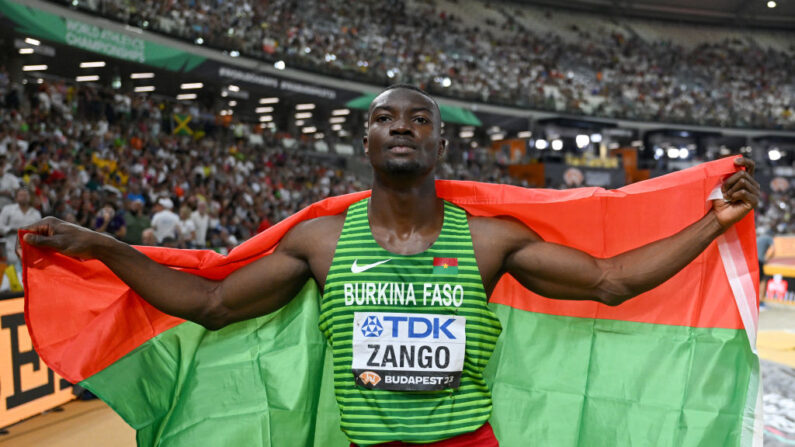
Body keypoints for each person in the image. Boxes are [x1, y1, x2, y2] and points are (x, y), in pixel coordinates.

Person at [22, 85, 760, 446]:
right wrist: (107, 247)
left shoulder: (485, 241)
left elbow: (611, 279)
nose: (400, 125)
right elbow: (212, 304)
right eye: (383, 118)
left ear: (440, 146)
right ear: (365, 143)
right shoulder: (320, 242)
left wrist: (710, 222)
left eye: (417, 119)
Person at [1, 187, 41, 269]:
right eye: (21, 195)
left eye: (26, 195)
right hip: (10, 245)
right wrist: (11, 229)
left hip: (29, 246)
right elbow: (0, 225)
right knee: (10, 271)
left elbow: (40, 230)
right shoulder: (8, 209)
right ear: (16, 198)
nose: (24, 197)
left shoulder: (36, 213)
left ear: (30, 198)